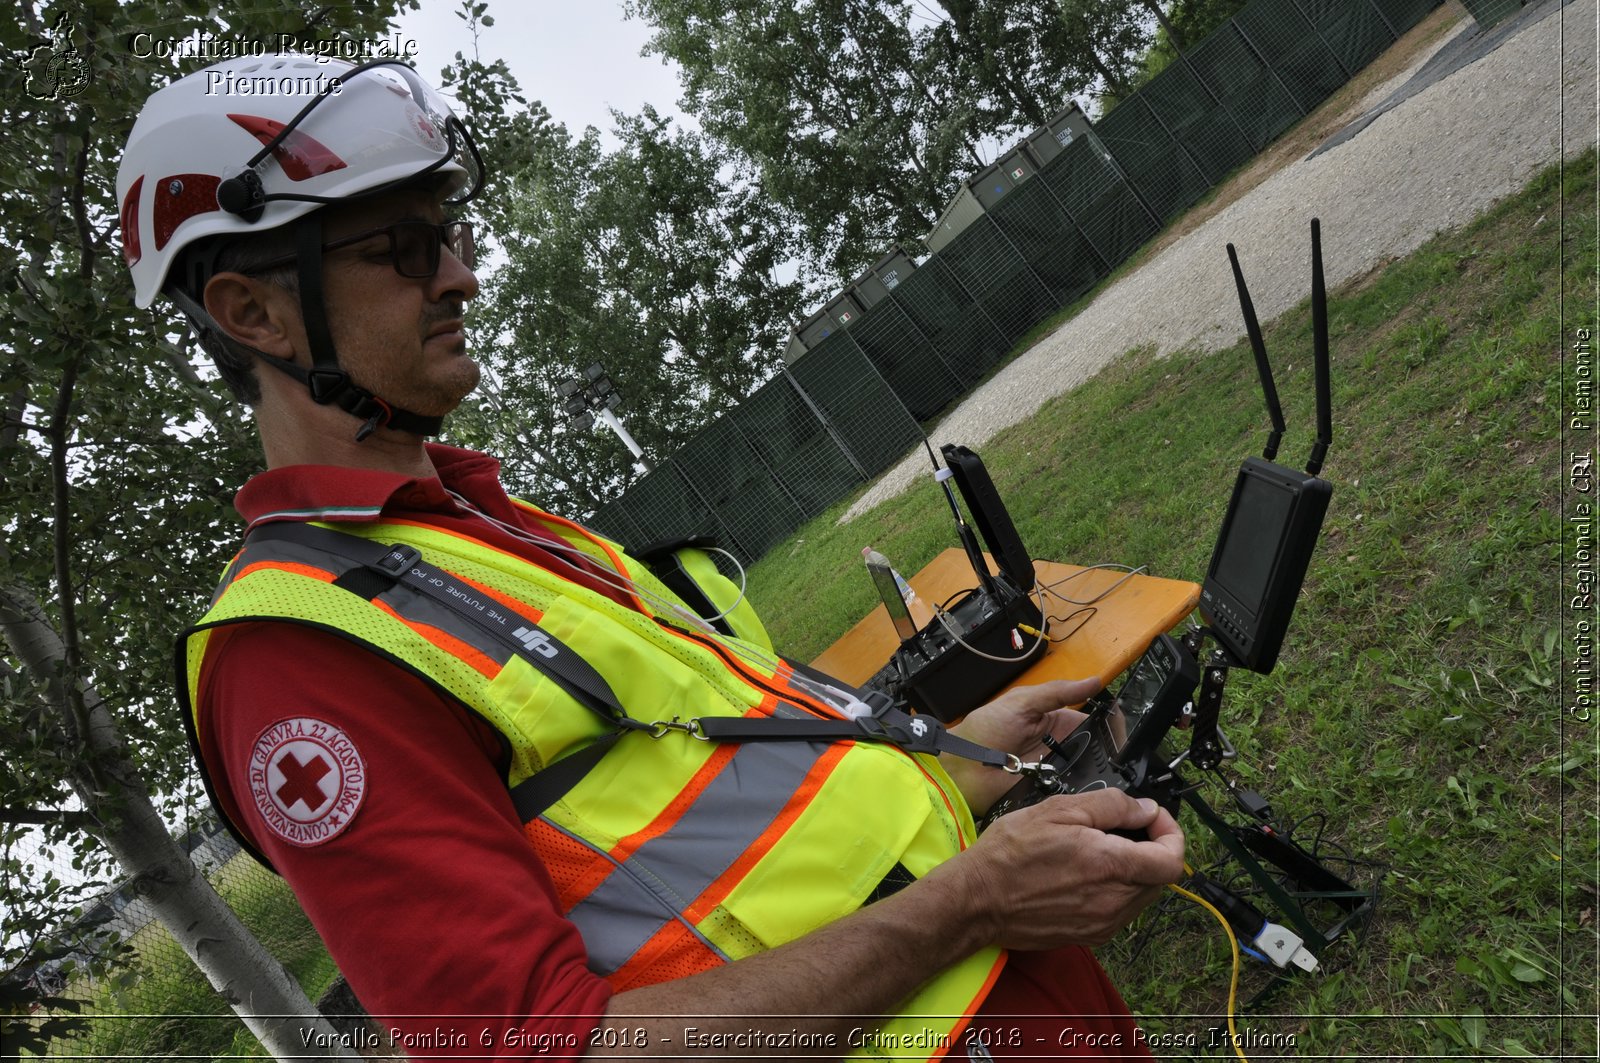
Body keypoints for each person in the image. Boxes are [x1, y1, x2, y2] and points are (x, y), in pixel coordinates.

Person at [118, 52, 1186, 1060]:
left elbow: (706, 810)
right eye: (400, 249)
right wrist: (972, 900)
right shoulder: (300, 656)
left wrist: (957, 759)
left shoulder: (485, 527)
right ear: (250, 311)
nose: (461, 277)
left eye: (447, 234)